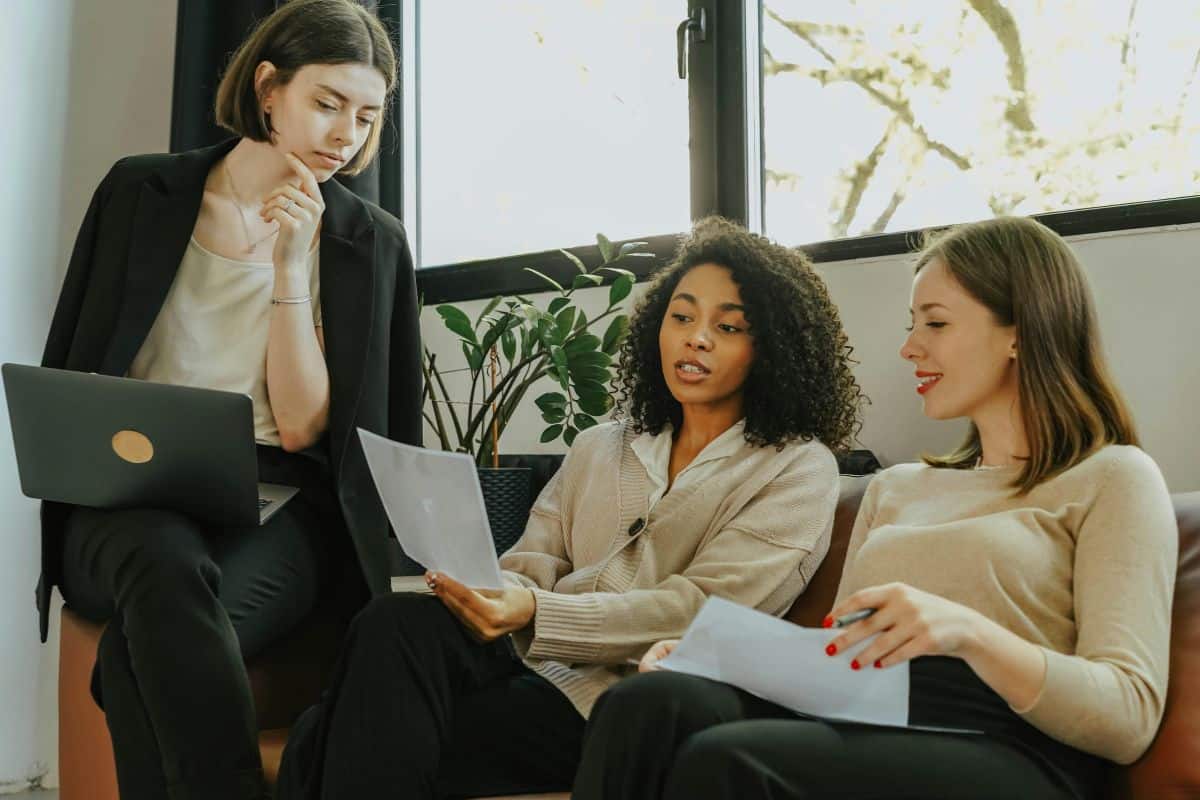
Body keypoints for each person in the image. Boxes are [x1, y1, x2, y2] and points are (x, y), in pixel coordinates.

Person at [574, 215, 1178, 800]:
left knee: (728, 761)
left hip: (1011, 744)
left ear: (1019, 330)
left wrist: (969, 632)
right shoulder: (898, 488)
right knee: (647, 703)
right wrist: (715, 657)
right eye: (913, 325)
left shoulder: (1113, 477)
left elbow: (1127, 716)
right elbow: (837, 668)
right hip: (873, 713)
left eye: (935, 323)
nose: (910, 347)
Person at [275, 216, 864, 799]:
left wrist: (535, 611)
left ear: (773, 349)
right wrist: (486, 590)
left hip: (620, 700)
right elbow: (533, 562)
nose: (696, 338)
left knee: (318, 737)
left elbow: (699, 613)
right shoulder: (599, 445)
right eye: (681, 317)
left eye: (728, 327)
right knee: (394, 621)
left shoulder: (796, 468)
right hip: (526, 662)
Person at [38, 2, 419, 798]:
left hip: (279, 502)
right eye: (327, 103)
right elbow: (76, 360)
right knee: (161, 559)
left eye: (366, 116)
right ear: (268, 87)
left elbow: (306, 427)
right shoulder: (140, 191)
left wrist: (291, 268)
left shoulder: (368, 241)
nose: (345, 135)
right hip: (127, 495)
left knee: (138, 651)